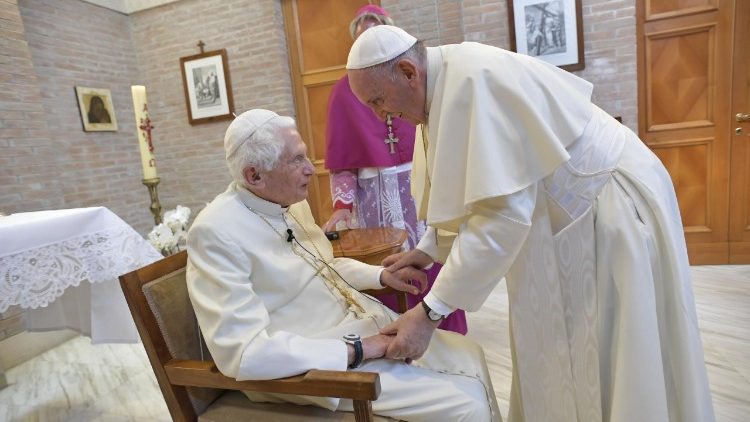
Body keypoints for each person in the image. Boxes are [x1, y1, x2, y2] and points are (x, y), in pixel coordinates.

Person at [345, 25, 715, 422]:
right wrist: (427, 250)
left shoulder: (473, 82)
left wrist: (430, 313)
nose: (381, 115)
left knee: (618, 348)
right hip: (564, 218)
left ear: (407, 71)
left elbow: (499, 216)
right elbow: (467, 185)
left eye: (378, 100)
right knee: (565, 343)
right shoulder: (438, 89)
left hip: (608, 205)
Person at [186, 109, 500, 421]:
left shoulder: (287, 202)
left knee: (472, 356)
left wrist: (381, 275)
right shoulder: (215, 232)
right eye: (297, 160)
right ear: (254, 175)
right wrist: (358, 349)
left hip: (363, 327)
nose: (311, 169)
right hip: (316, 366)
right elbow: (244, 353)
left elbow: (323, 267)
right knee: (467, 407)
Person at [323, 5, 467, 334]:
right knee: (387, 265)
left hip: (421, 186)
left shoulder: (420, 81)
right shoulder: (344, 93)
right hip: (376, 201)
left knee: (433, 247)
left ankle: (442, 324)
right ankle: (394, 331)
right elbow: (342, 163)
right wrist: (342, 206)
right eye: (362, 38)